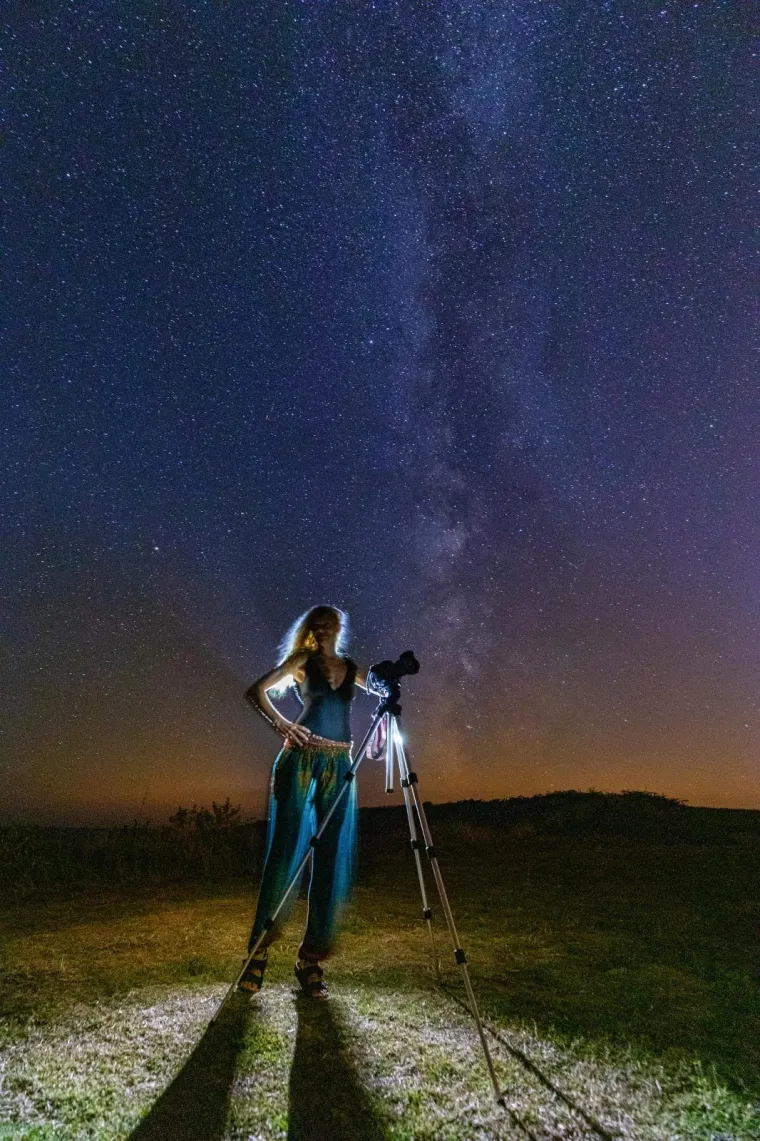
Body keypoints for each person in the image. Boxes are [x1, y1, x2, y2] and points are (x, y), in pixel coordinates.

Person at [239, 604, 375, 999]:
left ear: (339, 626)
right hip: (300, 759)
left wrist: (390, 697)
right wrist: (281, 723)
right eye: (317, 621)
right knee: (286, 852)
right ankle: (258, 953)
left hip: (340, 764)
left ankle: (310, 959)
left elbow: (381, 689)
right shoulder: (301, 660)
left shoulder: (351, 667)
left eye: (329, 620)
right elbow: (256, 691)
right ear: (311, 628)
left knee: (330, 857)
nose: (323, 626)